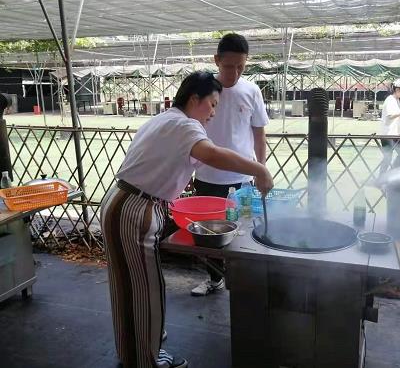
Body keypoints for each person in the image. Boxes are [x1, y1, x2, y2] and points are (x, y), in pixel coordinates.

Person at [100, 71, 273, 368]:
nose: (214, 112)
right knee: (144, 289)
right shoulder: (184, 124)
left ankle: (134, 349)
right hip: (134, 209)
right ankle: (146, 360)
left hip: (122, 202)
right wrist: (260, 169)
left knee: (128, 285)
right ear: (195, 99)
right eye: (213, 104)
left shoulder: (166, 119)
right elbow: (212, 154)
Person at [191, 33, 269, 297]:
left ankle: (243, 284)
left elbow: (259, 133)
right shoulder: (202, 91)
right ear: (216, 61)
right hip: (206, 175)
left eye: (240, 67)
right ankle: (214, 279)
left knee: (243, 233)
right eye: (228, 66)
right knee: (208, 234)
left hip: (242, 178)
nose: (234, 72)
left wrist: (262, 169)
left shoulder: (251, 90)